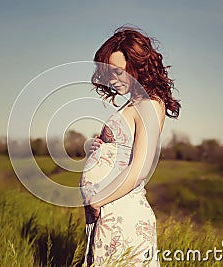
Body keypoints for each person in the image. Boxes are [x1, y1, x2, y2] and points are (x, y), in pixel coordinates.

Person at [79, 26, 181, 266]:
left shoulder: (149, 104)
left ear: (138, 65)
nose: (112, 80)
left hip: (122, 211)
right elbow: (122, 150)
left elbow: (140, 168)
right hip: (110, 210)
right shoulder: (133, 104)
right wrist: (98, 148)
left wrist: (98, 200)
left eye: (118, 72)